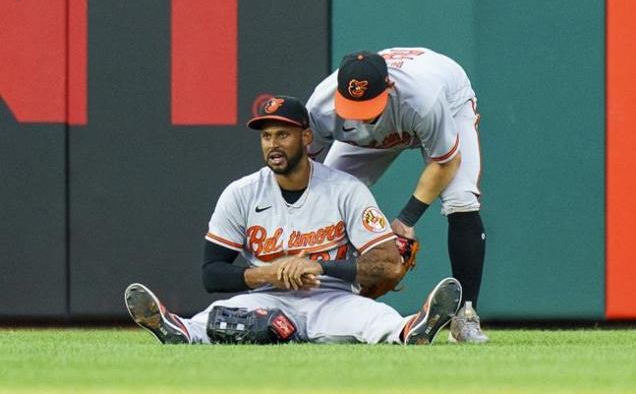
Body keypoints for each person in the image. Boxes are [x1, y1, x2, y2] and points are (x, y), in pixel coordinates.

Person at [124, 95, 462, 345]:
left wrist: (319, 267)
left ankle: (413, 330)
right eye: (266, 135)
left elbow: (388, 265)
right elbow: (211, 274)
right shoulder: (241, 193)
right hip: (268, 298)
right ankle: (178, 330)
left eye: (283, 135)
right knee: (216, 315)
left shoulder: (345, 189)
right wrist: (267, 273)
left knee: (377, 319)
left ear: (306, 137)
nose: (273, 144)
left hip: (332, 298)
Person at [305, 47, 488, 343]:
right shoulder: (321, 106)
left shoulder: (423, 100)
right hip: (392, 120)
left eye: (368, 107)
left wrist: (406, 219)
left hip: (447, 100)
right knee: (325, 200)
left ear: (388, 88)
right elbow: (305, 171)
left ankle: (466, 317)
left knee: (461, 199)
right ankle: (321, 306)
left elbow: (447, 162)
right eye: (353, 106)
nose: (361, 116)